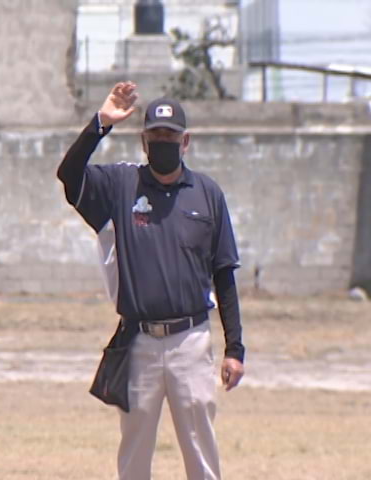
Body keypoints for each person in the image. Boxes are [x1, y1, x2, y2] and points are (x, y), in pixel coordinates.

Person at [57, 81, 245, 480]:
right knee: (135, 454)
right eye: (155, 135)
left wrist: (235, 348)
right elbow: (70, 177)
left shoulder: (207, 194)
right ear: (143, 141)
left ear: (186, 141)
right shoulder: (121, 186)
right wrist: (100, 123)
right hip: (139, 342)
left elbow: (224, 273)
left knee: (201, 454)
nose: (163, 142)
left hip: (190, 342)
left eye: (171, 136)